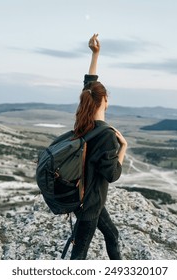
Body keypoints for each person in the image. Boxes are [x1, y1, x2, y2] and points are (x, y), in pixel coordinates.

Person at [70, 34, 128, 260]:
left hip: (83, 195)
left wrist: (95, 54)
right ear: (105, 100)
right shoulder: (106, 135)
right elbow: (113, 174)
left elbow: (89, 84)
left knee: (112, 234)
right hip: (89, 203)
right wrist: (123, 148)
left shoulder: (83, 123)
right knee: (79, 255)